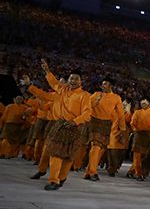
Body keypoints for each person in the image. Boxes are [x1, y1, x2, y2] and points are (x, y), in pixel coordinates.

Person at [24, 59, 92, 190]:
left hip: (75, 127)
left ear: (81, 81)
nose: (73, 81)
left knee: (68, 156)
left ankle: (62, 178)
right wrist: (46, 72)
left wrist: (74, 122)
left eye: (76, 79)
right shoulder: (62, 91)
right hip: (59, 126)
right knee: (55, 153)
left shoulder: (85, 95)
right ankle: (53, 180)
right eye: (71, 78)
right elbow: (52, 84)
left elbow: (87, 113)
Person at [83, 77, 124, 181]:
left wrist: (122, 129)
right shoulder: (96, 94)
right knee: (95, 146)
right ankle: (93, 172)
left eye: (105, 84)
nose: (102, 86)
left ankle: (88, 171)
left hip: (106, 124)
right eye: (102, 84)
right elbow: (86, 106)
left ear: (111, 86)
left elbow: (120, 114)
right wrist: (94, 103)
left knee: (100, 149)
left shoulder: (116, 98)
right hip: (94, 122)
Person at [130, 99, 150, 181]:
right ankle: (138, 173)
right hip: (138, 135)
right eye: (142, 102)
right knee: (137, 156)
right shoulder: (137, 112)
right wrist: (135, 130)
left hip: (149, 136)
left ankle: (137, 172)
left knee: (146, 156)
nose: (143, 104)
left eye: (145, 102)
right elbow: (132, 123)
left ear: (148, 103)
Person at [106, 100, 131, 177]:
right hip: (114, 134)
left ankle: (115, 167)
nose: (123, 105)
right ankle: (111, 168)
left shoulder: (128, 114)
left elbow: (130, 122)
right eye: (122, 104)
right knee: (112, 152)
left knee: (121, 154)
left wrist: (128, 112)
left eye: (125, 104)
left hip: (123, 136)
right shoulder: (114, 112)